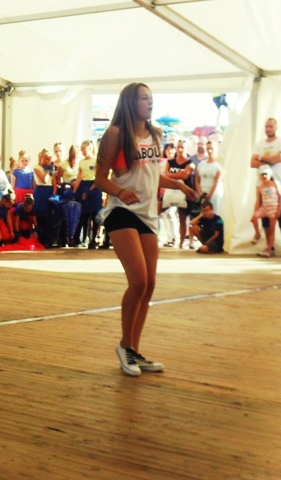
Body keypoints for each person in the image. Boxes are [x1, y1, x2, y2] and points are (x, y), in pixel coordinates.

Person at [94, 82, 196, 377]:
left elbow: (151, 174)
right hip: (121, 211)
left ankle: (134, 350)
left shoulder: (156, 134)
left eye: (151, 98)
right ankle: (124, 347)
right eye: (143, 98)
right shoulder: (116, 134)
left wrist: (177, 185)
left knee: (149, 284)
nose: (149, 102)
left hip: (148, 214)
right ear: (130, 102)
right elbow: (100, 178)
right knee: (138, 281)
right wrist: (119, 191)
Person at [250, 118, 281, 254]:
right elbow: (252, 163)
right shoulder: (259, 145)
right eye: (266, 126)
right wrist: (271, 160)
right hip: (262, 186)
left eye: (271, 126)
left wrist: (261, 158)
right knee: (265, 217)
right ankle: (269, 247)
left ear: (276, 127)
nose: (268, 129)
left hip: (280, 184)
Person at [165, 140, 196, 249]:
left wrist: (171, 174)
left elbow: (185, 175)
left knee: (182, 218)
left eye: (182, 147)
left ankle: (181, 243)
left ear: (186, 149)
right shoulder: (170, 162)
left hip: (185, 194)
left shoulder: (190, 163)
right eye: (178, 147)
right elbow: (165, 174)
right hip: (170, 192)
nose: (180, 149)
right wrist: (179, 174)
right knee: (158, 210)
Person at [73, 140, 103, 249]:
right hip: (84, 185)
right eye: (81, 150)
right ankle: (81, 239)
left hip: (94, 187)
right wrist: (75, 192)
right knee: (84, 215)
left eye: (84, 149)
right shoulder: (81, 162)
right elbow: (79, 178)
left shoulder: (96, 160)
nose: (83, 152)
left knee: (95, 215)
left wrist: (89, 191)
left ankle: (93, 239)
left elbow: (98, 177)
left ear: (90, 148)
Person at [251, 165, 281, 258]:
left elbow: (280, 197)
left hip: (273, 209)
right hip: (264, 208)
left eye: (265, 174)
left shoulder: (275, 184)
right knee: (254, 218)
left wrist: (279, 210)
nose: (264, 176)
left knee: (271, 230)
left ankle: (269, 249)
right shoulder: (260, 187)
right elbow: (258, 201)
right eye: (262, 174)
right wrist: (255, 211)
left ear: (270, 174)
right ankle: (257, 234)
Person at [195, 141, 224, 215]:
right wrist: (200, 193)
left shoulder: (218, 166)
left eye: (211, 149)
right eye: (208, 148)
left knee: (213, 214)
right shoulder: (201, 164)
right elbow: (197, 180)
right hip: (203, 194)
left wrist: (209, 195)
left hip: (214, 195)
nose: (209, 151)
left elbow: (216, 182)